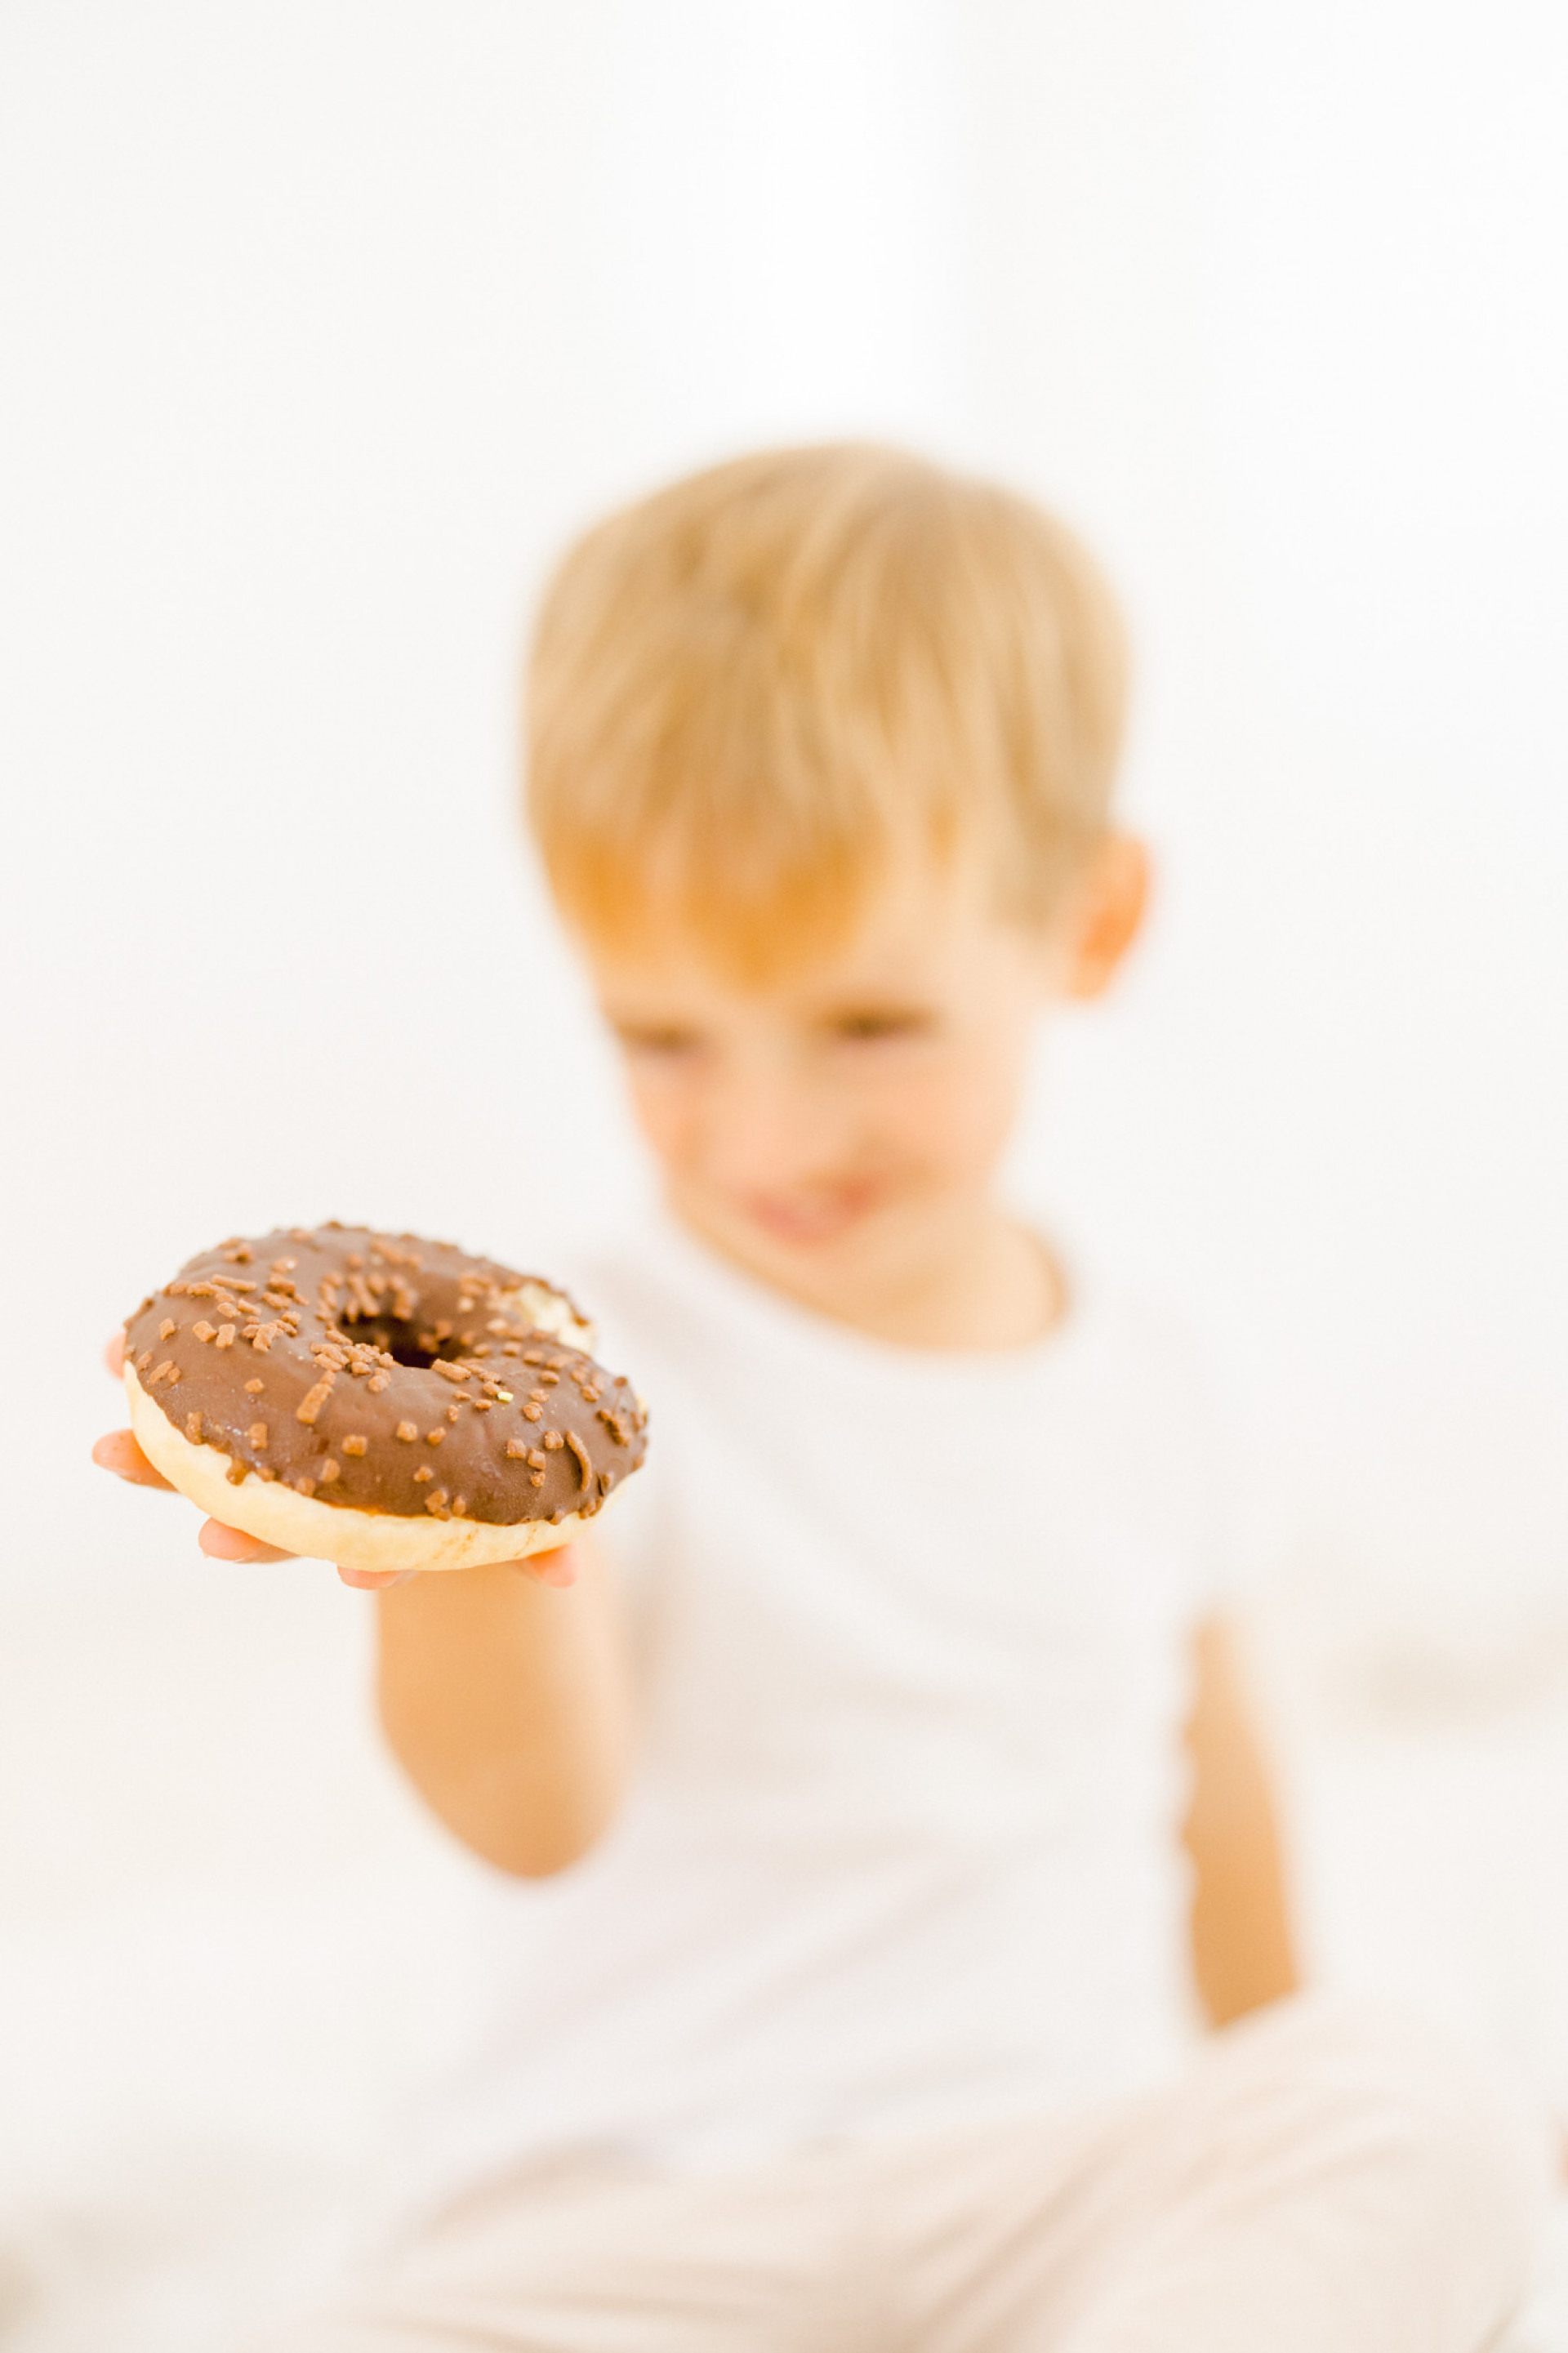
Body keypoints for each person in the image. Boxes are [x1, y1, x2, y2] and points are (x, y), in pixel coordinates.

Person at [96, 445, 1549, 2351]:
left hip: (1039, 2208)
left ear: (1086, 926)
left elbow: (1222, 1800)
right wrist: (468, 1563)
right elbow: (536, 1813)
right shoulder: (599, 1367)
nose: (771, 1131)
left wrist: (1262, 2110)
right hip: (637, 2229)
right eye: (666, 1039)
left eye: (869, 1026)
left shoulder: (1151, 1379)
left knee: (1419, 2109)